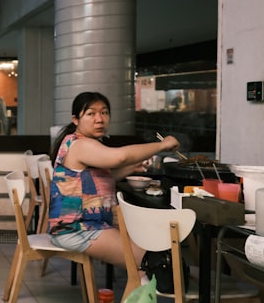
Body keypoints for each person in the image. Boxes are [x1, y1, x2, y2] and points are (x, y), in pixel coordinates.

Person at [48, 91, 181, 269]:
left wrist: (131, 169)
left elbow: (102, 179)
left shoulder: (83, 142)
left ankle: (140, 292)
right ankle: (143, 291)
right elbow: (120, 157)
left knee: (152, 249)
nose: (99, 119)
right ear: (75, 120)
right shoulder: (80, 144)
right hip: (78, 229)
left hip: (87, 225)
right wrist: (162, 145)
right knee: (153, 261)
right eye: (91, 113)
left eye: (104, 112)